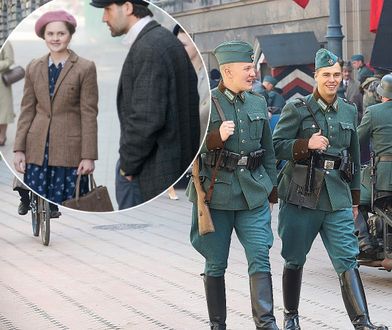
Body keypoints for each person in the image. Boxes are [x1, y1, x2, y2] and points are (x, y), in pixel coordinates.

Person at [273, 48, 387, 330]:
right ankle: (291, 317)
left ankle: (362, 322)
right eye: (326, 75)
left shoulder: (349, 109)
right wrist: (304, 145)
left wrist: (355, 199)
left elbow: (355, 155)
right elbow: (276, 146)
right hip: (301, 194)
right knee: (295, 258)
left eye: (336, 74)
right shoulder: (296, 108)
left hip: (336, 194)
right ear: (316, 76)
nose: (332, 79)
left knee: (347, 257)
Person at [188, 41, 279, 329]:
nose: (253, 73)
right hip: (216, 195)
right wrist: (214, 138)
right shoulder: (205, 102)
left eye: (252, 68)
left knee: (260, 257)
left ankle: (266, 323)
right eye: (248, 68)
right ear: (227, 71)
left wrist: (271, 189)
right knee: (216, 263)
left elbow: (269, 150)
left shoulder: (258, 102)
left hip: (253, 193)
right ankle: (218, 325)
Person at [90, 0, 200, 209]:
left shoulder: (149, 47)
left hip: (148, 171)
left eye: (108, 10)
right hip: (164, 168)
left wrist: (127, 167)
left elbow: (147, 118)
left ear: (128, 8)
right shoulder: (161, 40)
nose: (104, 18)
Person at [13, 10, 98, 217]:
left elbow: (89, 114)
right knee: (29, 185)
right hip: (37, 142)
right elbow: (27, 109)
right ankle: (27, 199)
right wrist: (18, 149)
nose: (55, 38)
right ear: (43, 36)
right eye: (50, 34)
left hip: (68, 146)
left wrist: (88, 156)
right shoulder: (34, 66)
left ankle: (51, 208)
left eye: (61, 33)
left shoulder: (85, 68)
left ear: (70, 35)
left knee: (62, 196)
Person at [356, 73, 392, 259]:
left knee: (351, 199)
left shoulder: (374, 112)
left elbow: (356, 140)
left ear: (381, 93)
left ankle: (366, 243)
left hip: (383, 180)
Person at [0, 41, 16, 146]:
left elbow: (10, 60)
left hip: (1, 81)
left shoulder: (5, 42)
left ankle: (2, 136)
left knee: (3, 111)